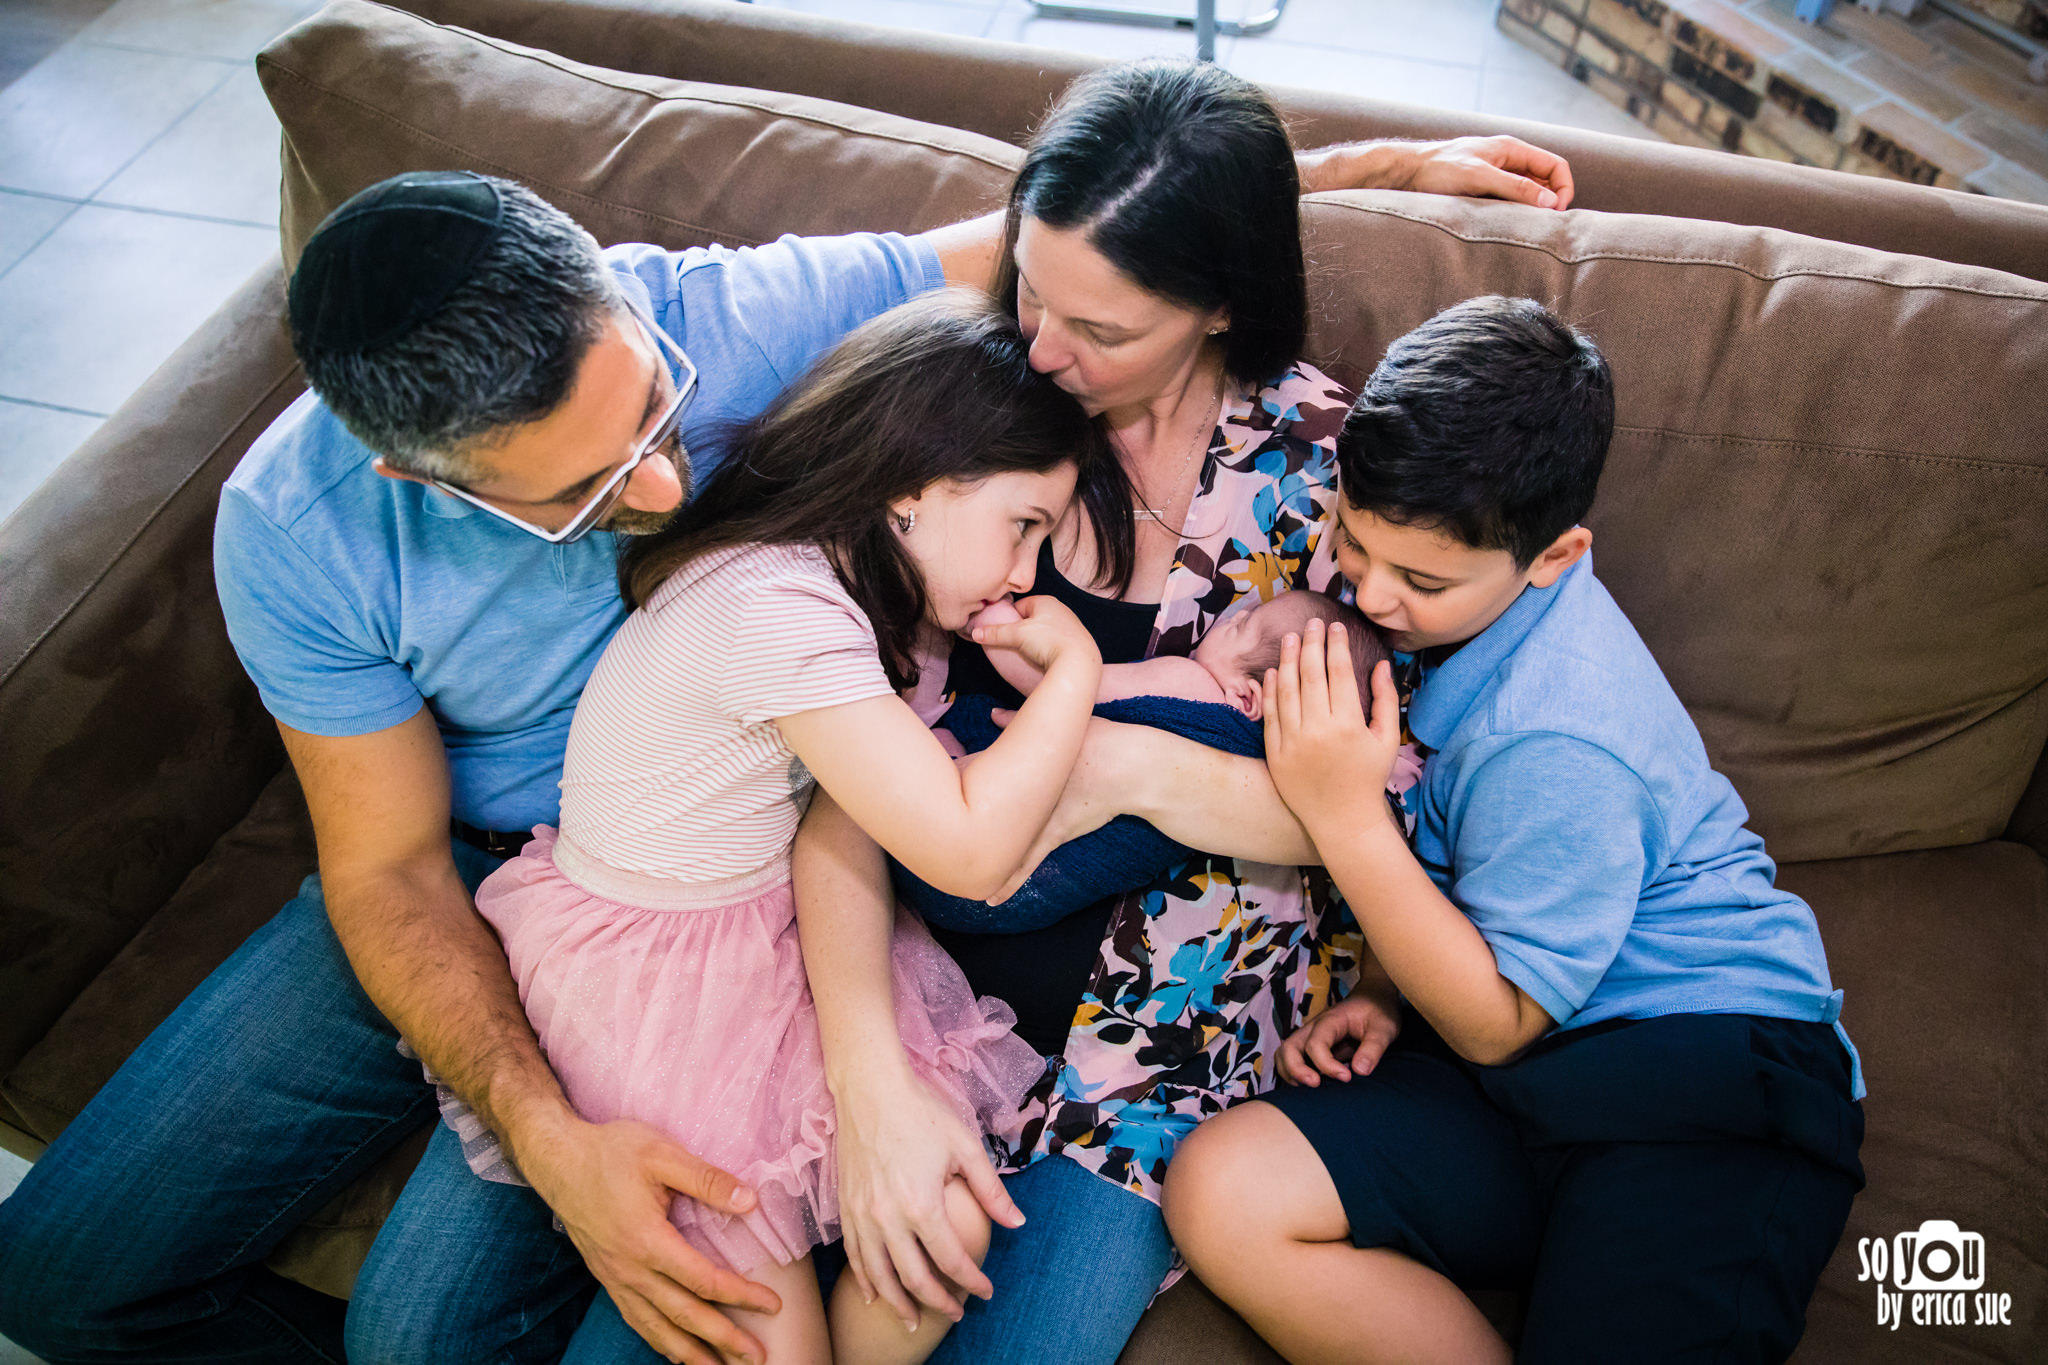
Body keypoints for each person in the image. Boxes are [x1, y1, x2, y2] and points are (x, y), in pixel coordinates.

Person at [0, 103, 1576, 1365]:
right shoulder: (304, 533)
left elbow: (1128, 211)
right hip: (536, 887)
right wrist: (553, 1139)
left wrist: (1384, 170)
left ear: (621, 292)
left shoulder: (750, 319)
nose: (670, 494)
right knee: (64, 1279)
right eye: (586, 494)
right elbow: (392, 864)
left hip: (807, 901)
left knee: (427, 1330)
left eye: (661, 415)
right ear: (422, 479)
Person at [793, 60, 1466, 1365]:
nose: (1043, 349)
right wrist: (867, 1080)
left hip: (1154, 1064)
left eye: (1097, 329)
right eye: (1030, 290)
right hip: (899, 976)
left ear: (1221, 306)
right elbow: (834, 769)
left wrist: (1125, 763)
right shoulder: (970, 410)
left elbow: (1402, 808)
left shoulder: (1340, 481)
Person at [1161, 296, 1865, 1365]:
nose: (1372, 595)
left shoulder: (1558, 737)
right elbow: (1481, 936)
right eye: (1353, 541)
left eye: (1423, 580)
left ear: (1552, 556)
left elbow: (1497, 1019)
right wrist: (1392, 995)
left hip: (1701, 1082)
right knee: (1221, 1186)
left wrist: (1341, 812)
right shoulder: (1439, 620)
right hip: (1516, 1067)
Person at [469, 289, 1112, 1365]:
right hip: (654, 979)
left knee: (948, 1214)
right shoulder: (778, 609)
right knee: (762, 1337)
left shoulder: (861, 594)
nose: (1024, 574)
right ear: (911, 487)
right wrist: (1074, 675)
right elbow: (966, 848)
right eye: (1024, 527)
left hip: (771, 927)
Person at [894, 590, 1419, 934]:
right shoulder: (1281, 776)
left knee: (933, 747)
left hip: (976, 855)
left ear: (1247, 698)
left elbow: (1061, 685)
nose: (1230, 617)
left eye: (1245, 626)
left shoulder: (1191, 686)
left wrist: (996, 621)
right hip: (1011, 903)